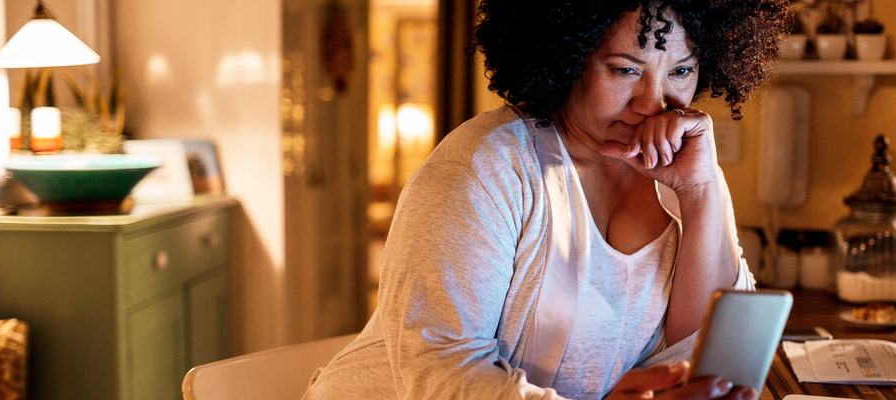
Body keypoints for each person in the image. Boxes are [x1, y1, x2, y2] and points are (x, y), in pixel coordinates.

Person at [303, 0, 785, 398]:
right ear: (567, 58)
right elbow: (439, 372)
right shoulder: (486, 167)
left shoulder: (685, 168)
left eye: (681, 70)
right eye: (624, 70)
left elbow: (703, 355)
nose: (653, 102)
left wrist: (701, 193)